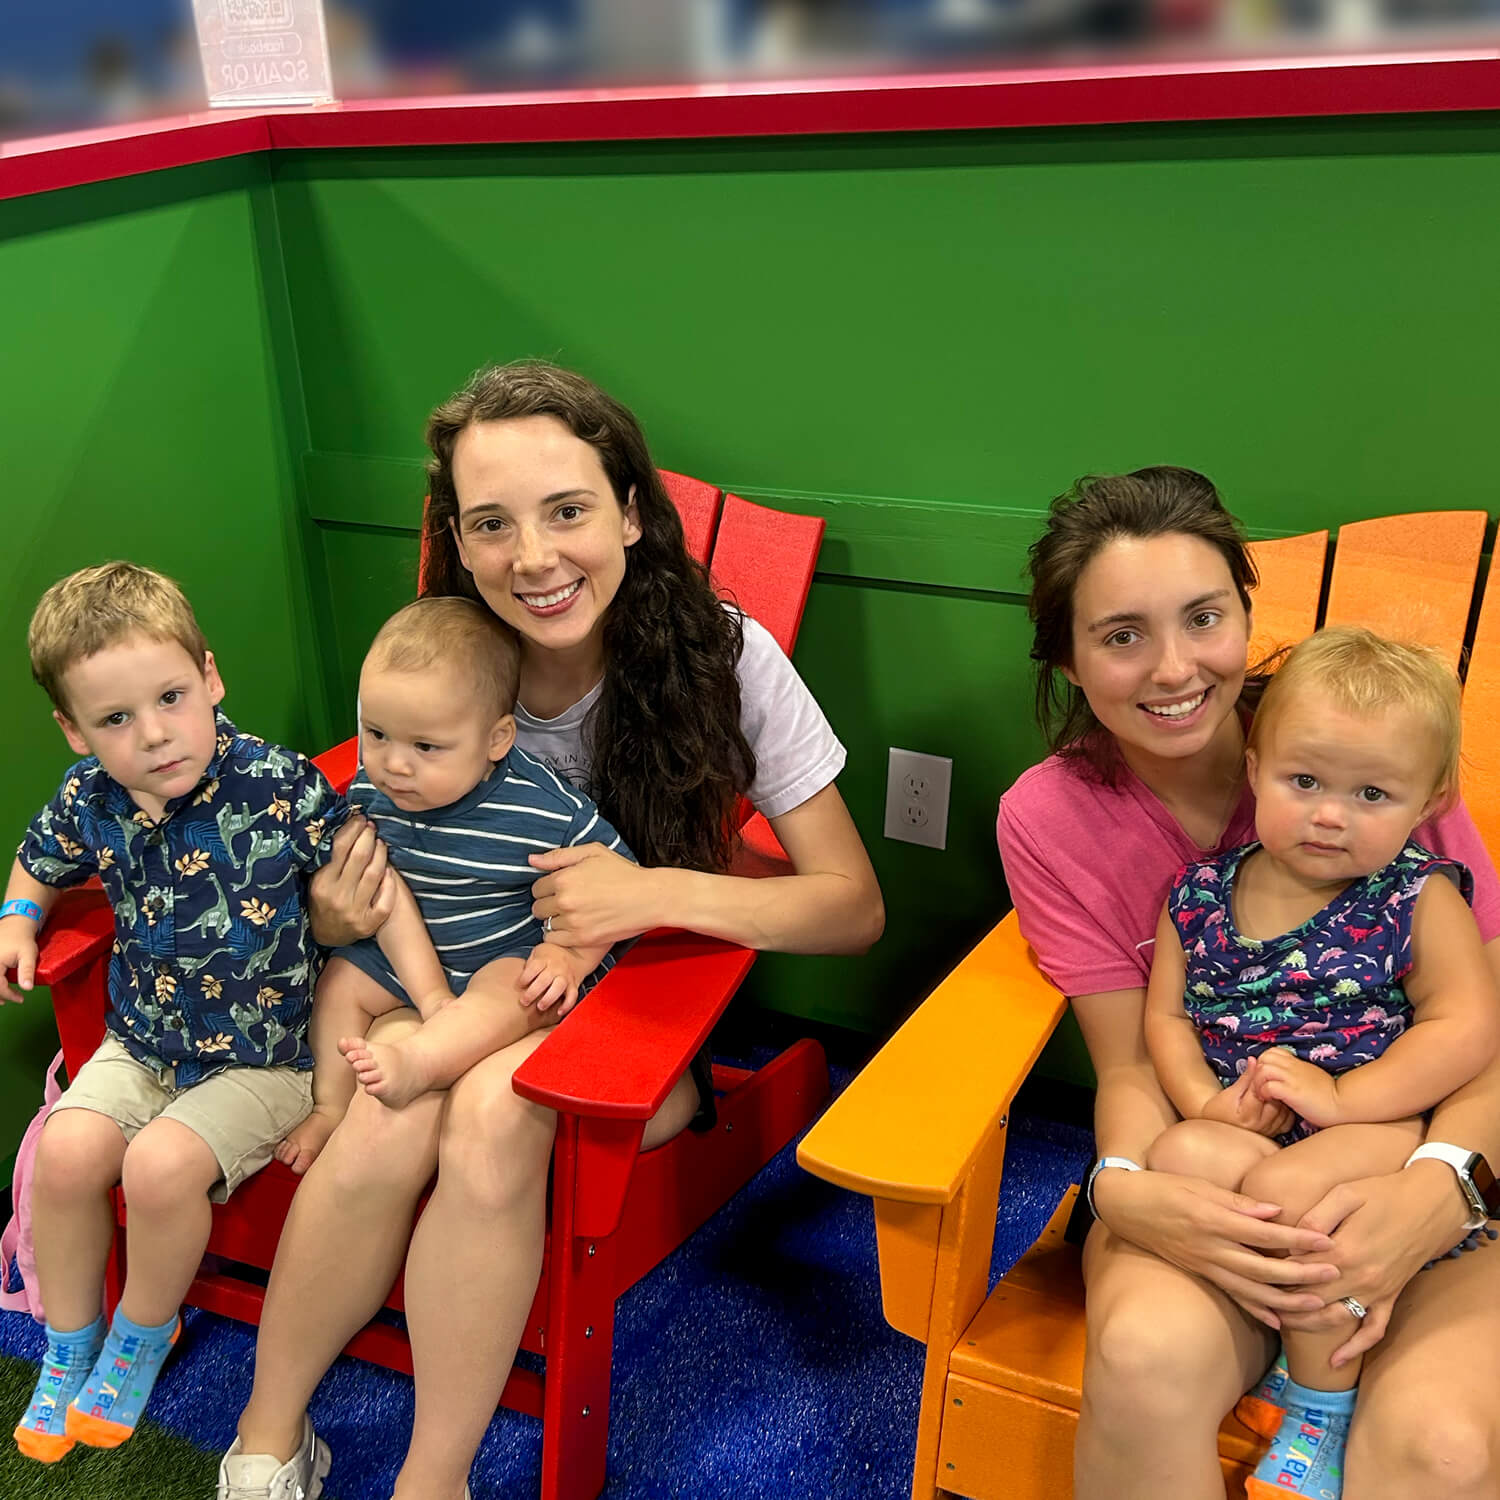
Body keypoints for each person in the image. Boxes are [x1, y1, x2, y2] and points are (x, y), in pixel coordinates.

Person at [218, 361, 884, 1500]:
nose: (533, 557)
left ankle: (434, 1477)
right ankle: (269, 1439)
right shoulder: (451, 666)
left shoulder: (727, 661)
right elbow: (377, 802)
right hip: (461, 978)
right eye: (492, 526)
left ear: (629, 509)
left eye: (567, 510)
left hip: (638, 1011)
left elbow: (851, 908)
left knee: (487, 1111)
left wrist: (657, 893)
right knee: (384, 1117)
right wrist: (336, 907)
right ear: (458, 543)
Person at [995, 467, 1500, 1500]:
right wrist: (1132, 1194)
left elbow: (1479, 1024)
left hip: (1424, 1152)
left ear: (1245, 615)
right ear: (1069, 658)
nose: (1173, 667)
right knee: (1143, 1362)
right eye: (1121, 634)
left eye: (1204, 617)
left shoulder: (1374, 756)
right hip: (1214, 1164)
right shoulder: (1049, 819)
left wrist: (1442, 1187)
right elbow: (1134, 1058)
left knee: (1440, 1449)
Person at [1142, 625, 1500, 1500]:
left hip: (1377, 1129)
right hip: (1251, 1132)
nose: (1331, 814)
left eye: (1373, 792)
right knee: (1179, 1158)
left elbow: (1466, 1026)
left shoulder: (1417, 896)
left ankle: (1319, 1404)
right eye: (1305, 782)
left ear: (1427, 801)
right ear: (1255, 767)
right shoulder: (1199, 896)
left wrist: (1346, 1097)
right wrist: (1201, 1102)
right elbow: (1165, 1015)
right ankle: (1295, 1322)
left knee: (1300, 1196)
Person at [0, 563, 346, 1463]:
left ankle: (141, 1334)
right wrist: (16, 917)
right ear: (74, 730)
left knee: (157, 1167)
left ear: (210, 676)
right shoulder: (92, 797)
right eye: (116, 720)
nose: (154, 735)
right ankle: (66, 1349)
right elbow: (39, 858)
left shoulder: (278, 784)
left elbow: (366, 883)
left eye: (171, 697)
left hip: (265, 1059)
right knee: (65, 1153)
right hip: (143, 1042)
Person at [275, 595, 630, 1173]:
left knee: (519, 988)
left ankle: (419, 1063)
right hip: (400, 960)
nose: (394, 764)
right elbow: (360, 887)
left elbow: (617, 889)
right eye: (378, 733)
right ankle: (328, 1107)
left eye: (425, 746)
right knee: (340, 982)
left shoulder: (543, 812)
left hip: (498, 954)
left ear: (496, 740)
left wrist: (569, 956)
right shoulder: (368, 792)